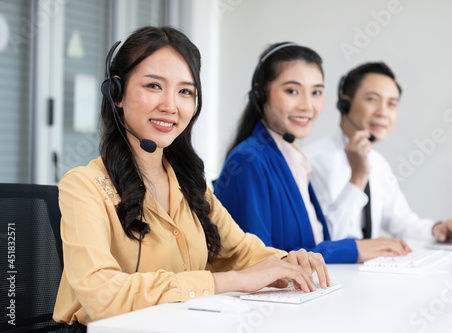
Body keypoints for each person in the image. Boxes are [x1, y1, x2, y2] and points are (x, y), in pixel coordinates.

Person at [53, 27, 330, 330]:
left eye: (185, 91)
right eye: (154, 86)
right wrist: (230, 281)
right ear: (116, 94)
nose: (170, 106)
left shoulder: (190, 186)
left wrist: (290, 262)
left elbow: (242, 251)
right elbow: (102, 296)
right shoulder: (83, 186)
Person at [214, 43, 411, 265]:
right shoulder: (249, 160)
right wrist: (353, 249)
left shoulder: (292, 158)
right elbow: (260, 263)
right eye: (292, 91)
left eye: (316, 92)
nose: (307, 106)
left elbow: (311, 244)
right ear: (261, 94)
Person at [304, 62, 452, 243]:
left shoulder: (378, 163)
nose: (383, 112)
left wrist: (437, 229)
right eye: (372, 99)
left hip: (367, 269)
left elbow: (403, 224)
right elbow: (325, 239)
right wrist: (358, 177)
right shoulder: (312, 162)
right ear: (344, 104)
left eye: (391, 104)